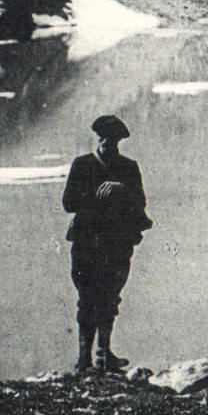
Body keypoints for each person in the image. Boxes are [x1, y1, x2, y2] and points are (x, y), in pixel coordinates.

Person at [62, 115, 152, 375]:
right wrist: (96, 193)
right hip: (87, 242)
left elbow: (140, 203)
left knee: (110, 297)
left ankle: (102, 355)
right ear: (98, 138)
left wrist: (121, 190)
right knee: (87, 297)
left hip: (117, 243)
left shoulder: (129, 168)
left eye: (113, 140)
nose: (108, 143)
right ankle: (84, 360)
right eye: (104, 138)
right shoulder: (82, 165)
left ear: (119, 142)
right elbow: (69, 203)